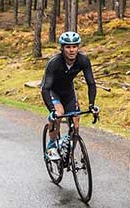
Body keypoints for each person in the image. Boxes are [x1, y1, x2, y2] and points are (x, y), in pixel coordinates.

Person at [40, 31, 98, 161]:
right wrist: (52, 111)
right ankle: (51, 145)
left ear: (78, 47)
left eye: (74, 46)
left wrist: (91, 105)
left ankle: (69, 152)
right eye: (68, 47)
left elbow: (91, 83)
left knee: (76, 123)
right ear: (62, 48)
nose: (71, 50)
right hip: (52, 90)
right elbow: (45, 88)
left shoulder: (83, 60)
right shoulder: (54, 63)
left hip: (68, 91)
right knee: (59, 113)